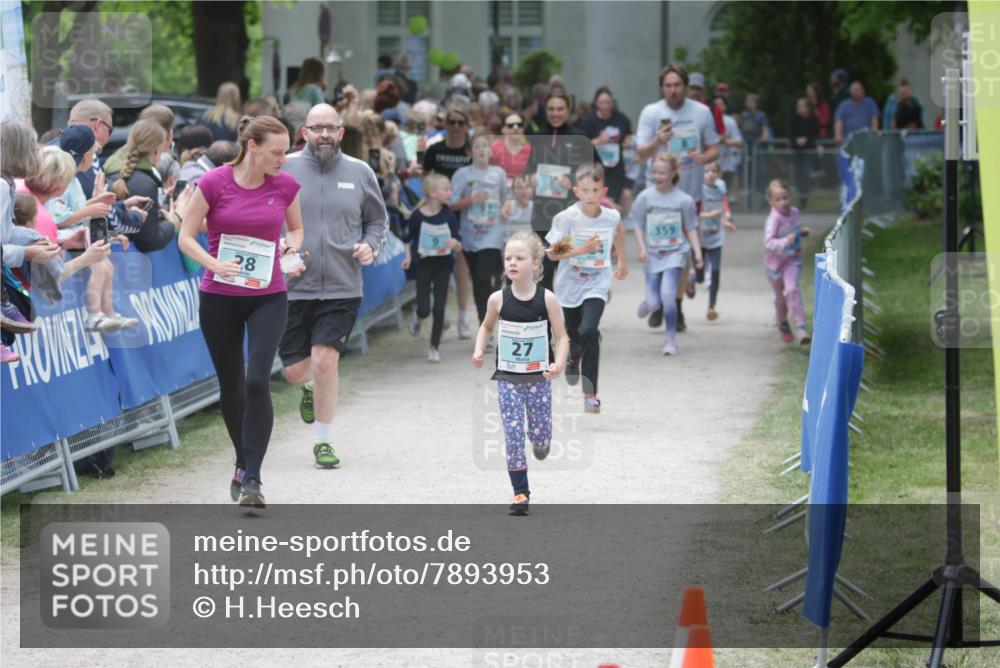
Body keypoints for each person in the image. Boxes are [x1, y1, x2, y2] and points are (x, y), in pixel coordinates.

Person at [178, 114, 306, 510]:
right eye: (277, 152)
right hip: (219, 296)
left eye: (286, 152)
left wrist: (289, 246)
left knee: (256, 381)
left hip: (268, 294)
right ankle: (241, 460)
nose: (284, 159)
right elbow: (186, 236)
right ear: (252, 147)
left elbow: (297, 230)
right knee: (231, 386)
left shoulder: (285, 185)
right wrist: (213, 264)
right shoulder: (214, 182)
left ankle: (253, 477)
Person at [280, 104, 388, 470]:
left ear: (341, 132)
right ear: (304, 132)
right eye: (317, 128)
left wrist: (370, 246)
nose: (324, 134)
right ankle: (310, 387)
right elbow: (264, 215)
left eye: (330, 128)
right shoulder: (284, 168)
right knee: (296, 371)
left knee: (326, 360)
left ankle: (322, 442)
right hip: (294, 285)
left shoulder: (360, 172)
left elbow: (377, 221)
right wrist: (281, 247)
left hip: (343, 285)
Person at [472, 229, 568, 515]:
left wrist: (559, 363)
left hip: (539, 378)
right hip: (509, 378)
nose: (512, 263)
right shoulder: (497, 300)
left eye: (519, 258)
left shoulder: (547, 299)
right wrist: (479, 349)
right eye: (508, 258)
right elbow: (487, 327)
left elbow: (562, 337)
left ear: (536, 264)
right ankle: (520, 492)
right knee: (513, 433)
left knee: (539, 434)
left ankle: (541, 441)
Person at [635, 64, 719, 333]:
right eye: (668, 85)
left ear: (685, 86)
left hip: (689, 192)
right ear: (662, 87)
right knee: (658, 246)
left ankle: (677, 306)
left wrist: (702, 158)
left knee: (680, 252)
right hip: (656, 193)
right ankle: (658, 300)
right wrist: (656, 142)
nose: (673, 90)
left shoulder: (701, 113)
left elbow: (714, 149)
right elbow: (640, 154)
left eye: (677, 85)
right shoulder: (652, 112)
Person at [544, 163, 627, 413]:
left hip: (597, 282)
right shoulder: (568, 217)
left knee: (590, 330)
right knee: (575, 335)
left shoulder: (611, 216)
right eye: (585, 190)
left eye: (595, 190)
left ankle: (590, 393)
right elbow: (552, 253)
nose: (591, 195)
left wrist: (621, 260)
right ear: (576, 191)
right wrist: (580, 250)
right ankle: (574, 354)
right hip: (570, 286)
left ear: (604, 191)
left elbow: (619, 230)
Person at [46, 126, 138, 332]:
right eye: (94, 153)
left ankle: (109, 314)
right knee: (99, 264)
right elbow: (57, 218)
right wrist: (91, 209)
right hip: (62, 235)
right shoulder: (63, 178)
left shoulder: (73, 179)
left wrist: (96, 201)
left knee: (108, 266)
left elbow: (76, 208)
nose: (95, 157)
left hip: (74, 232)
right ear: (86, 156)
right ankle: (94, 315)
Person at [628, 153, 702, 355]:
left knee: (668, 294)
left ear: (673, 173)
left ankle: (670, 339)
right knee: (654, 302)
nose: (657, 176)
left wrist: (697, 254)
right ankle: (648, 305)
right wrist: (642, 248)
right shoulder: (645, 197)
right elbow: (637, 224)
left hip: (676, 253)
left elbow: (691, 227)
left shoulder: (684, 200)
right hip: (652, 254)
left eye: (662, 172)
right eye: (654, 172)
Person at [523, 89, 593, 290]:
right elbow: (528, 168)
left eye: (560, 109)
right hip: (542, 213)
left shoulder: (580, 137)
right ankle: (546, 320)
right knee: (543, 270)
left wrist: (572, 180)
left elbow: (595, 171)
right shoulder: (538, 137)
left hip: (572, 213)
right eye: (551, 109)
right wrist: (531, 177)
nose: (555, 113)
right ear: (545, 110)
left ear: (568, 110)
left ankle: (575, 318)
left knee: (572, 269)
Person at [422, 104, 474, 337]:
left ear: (466, 126)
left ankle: (463, 317)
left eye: (459, 123)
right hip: (439, 215)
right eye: (451, 122)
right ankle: (441, 316)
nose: (455, 127)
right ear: (445, 125)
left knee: (462, 271)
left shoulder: (470, 151)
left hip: (465, 215)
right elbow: (426, 181)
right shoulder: (435, 150)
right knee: (439, 270)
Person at [451, 135, 510, 326]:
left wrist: (505, 208)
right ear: (470, 152)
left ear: (491, 152)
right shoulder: (462, 174)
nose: (482, 150)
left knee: (485, 276)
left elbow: (506, 198)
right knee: (478, 280)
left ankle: (490, 321)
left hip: (493, 232)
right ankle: (483, 320)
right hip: (470, 234)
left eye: (485, 146)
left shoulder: (499, 173)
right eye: (477, 146)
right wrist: (472, 200)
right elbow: (452, 204)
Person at [402, 173, 461, 362]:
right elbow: (407, 238)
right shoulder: (417, 216)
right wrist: (408, 257)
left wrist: (454, 244)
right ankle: (418, 316)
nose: (450, 192)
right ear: (433, 193)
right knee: (425, 308)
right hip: (423, 266)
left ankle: (434, 347)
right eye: (446, 189)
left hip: (444, 265)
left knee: (438, 309)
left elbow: (458, 242)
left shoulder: (449, 215)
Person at [108, 120, 180, 253]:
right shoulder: (145, 184)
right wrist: (174, 222)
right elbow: (148, 241)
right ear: (156, 150)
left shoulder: (114, 170)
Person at [764, 179, 811, 346]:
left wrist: (801, 232)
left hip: (792, 260)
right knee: (780, 298)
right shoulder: (773, 219)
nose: (783, 202)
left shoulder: (794, 213)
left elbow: (794, 231)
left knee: (791, 290)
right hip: (774, 266)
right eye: (778, 199)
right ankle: (783, 323)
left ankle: (801, 328)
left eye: (786, 198)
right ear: (771, 201)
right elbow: (768, 242)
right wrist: (785, 241)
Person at [579, 86, 633, 204]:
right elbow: (581, 147)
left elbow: (628, 136)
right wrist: (598, 141)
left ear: (612, 103)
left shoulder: (621, 119)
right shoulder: (588, 122)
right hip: (595, 169)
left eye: (608, 102)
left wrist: (628, 141)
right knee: (599, 200)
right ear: (596, 104)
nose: (605, 106)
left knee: (612, 201)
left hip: (615, 169)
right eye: (602, 103)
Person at [696, 161, 735, 321]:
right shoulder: (698, 191)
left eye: (714, 171)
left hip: (716, 237)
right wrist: (708, 216)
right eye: (707, 171)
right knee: (700, 276)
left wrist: (726, 221)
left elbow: (723, 207)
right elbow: (693, 214)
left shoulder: (720, 189)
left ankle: (711, 306)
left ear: (719, 174)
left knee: (716, 271)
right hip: (699, 237)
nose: (710, 174)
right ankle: (692, 280)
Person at [834, 81, 879, 210]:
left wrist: (873, 135)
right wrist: (838, 135)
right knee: (848, 174)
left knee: (865, 173)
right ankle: (845, 201)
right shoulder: (844, 105)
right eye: (854, 90)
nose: (856, 92)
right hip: (849, 145)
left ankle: (867, 201)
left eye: (859, 89)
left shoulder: (869, 103)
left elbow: (874, 121)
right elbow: (839, 121)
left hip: (865, 145)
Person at [789, 97, 819, 209]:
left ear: (807, 107)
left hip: (808, 151)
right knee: (798, 174)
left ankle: (805, 197)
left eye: (802, 106)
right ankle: (801, 197)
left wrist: (806, 139)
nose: (799, 108)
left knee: (806, 173)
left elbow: (815, 133)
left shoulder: (813, 119)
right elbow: (790, 134)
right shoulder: (795, 119)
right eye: (798, 106)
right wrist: (796, 140)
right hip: (797, 151)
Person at [490, 112, 532, 182]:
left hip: (522, 190)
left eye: (519, 125)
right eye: (510, 125)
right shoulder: (493, 148)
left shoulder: (531, 150)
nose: (516, 128)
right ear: (503, 129)